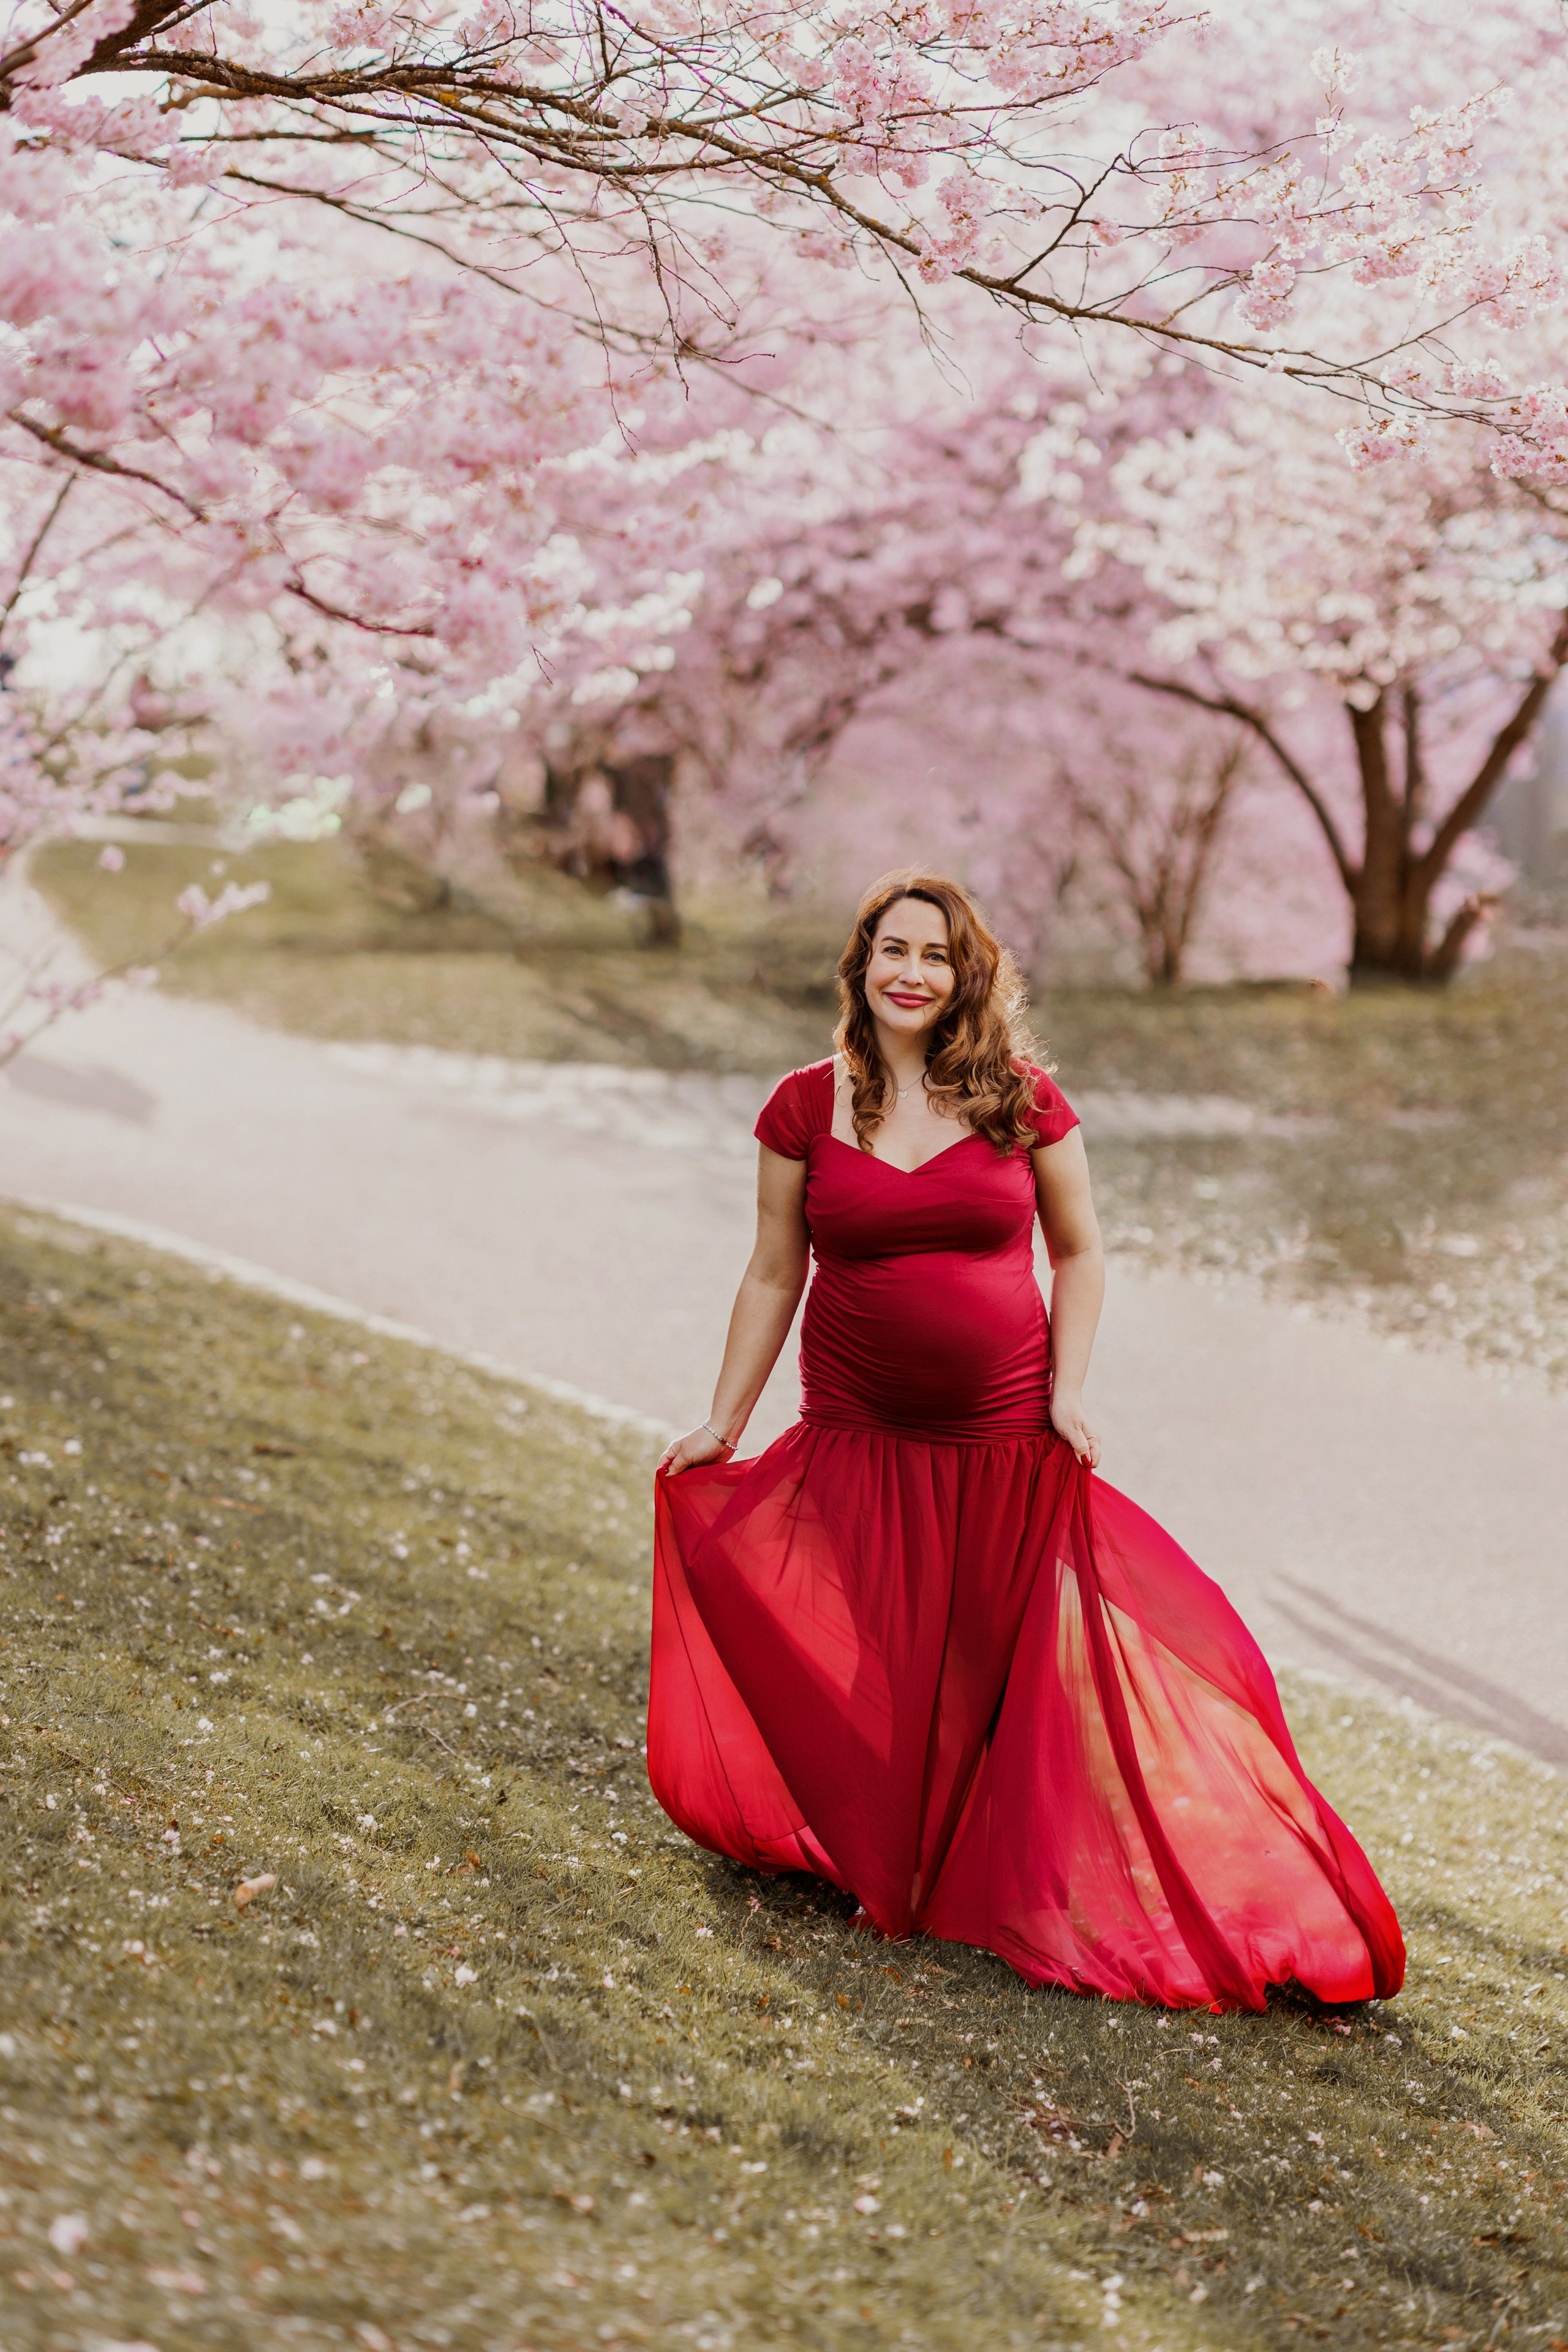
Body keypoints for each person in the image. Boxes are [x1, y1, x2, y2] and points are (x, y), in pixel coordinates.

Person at [649, 869, 1403, 2011]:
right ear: (860, 966)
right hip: (858, 1431)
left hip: (1004, 1436)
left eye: (935, 956)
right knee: (881, 1663)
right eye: (892, 951)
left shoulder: (1021, 1099)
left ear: (968, 977)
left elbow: (1082, 1251)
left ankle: (978, 1871)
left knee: (991, 1670)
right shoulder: (806, 1105)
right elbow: (772, 1267)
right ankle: (893, 1872)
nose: (911, 973)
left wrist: (1066, 1390)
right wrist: (724, 1421)